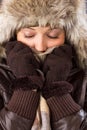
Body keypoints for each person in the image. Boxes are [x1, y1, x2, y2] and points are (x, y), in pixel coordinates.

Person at [0, 0, 87, 130]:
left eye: (53, 35)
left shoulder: (83, 76)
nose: (40, 46)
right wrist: (27, 86)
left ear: (69, 36)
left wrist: (57, 90)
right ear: (13, 35)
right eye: (29, 35)